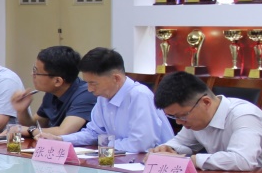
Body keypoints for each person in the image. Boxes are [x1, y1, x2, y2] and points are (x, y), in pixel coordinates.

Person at [37, 47, 173, 153]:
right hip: (120, 159)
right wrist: (60, 139)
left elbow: (141, 144)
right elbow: (93, 133)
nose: (89, 89)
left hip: (148, 163)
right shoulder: (103, 96)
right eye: (87, 83)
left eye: (93, 83)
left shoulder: (139, 95)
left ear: (116, 78)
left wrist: (103, 145)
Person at [148, 72, 262, 170]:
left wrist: (189, 161)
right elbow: (181, 143)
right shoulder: (195, 119)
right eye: (174, 117)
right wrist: (166, 150)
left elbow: (242, 160)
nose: (179, 122)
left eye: (182, 116)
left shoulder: (244, 115)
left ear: (206, 102)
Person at [8, 45, 97, 138]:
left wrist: (26, 130)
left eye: (36, 72)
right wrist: (22, 111)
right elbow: (35, 125)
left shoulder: (86, 94)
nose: (32, 74)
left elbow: (64, 132)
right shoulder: (52, 92)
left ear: (57, 81)